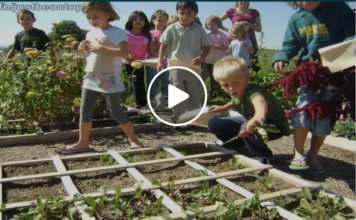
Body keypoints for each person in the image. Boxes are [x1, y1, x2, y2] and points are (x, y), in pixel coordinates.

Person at [272, 2, 355, 173]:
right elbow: (290, 45)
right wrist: (281, 57)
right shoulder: (297, 19)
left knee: (324, 115)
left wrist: (345, 54)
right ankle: (298, 152)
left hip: (335, 73)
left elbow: (351, 36)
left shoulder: (340, 9)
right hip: (309, 74)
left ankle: (313, 155)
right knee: (303, 109)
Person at [57, 2, 142, 154]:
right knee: (85, 110)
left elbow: (124, 53)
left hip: (110, 78)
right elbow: (91, 55)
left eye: (95, 16)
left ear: (107, 14)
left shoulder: (117, 32)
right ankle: (83, 143)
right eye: (89, 17)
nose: (92, 20)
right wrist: (82, 50)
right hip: (91, 76)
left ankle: (133, 139)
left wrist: (102, 48)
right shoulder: (90, 33)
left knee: (115, 111)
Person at [208, 56, 290, 164]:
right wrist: (223, 107)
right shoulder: (238, 91)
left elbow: (261, 104)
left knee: (246, 126)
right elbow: (236, 101)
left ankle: (262, 155)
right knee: (214, 123)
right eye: (225, 85)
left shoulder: (253, 91)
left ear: (247, 78)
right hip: (251, 120)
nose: (231, 88)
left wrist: (256, 118)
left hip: (273, 126)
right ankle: (240, 142)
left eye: (235, 83)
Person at [158, 2, 210, 121]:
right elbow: (163, 45)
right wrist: (160, 61)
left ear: (195, 15)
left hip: (193, 67)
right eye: (182, 13)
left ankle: (193, 118)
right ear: (177, 13)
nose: (185, 16)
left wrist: (202, 57)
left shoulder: (199, 30)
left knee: (194, 94)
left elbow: (207, 47)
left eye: (189, 13)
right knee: (177, 92)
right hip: (175, 66)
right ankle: (179, 118)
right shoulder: (171, 28)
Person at [220, 1, 261, 72]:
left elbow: (259, 29)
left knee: (253, 65)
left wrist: (248, 24)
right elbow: (217, 21)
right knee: (232, 64)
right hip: (234, 41)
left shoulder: (254, 12)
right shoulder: (231, 11)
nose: (243, 2)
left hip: (250, 41)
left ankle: (252, 82)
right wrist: (229, 30)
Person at [125, 11, 153, 111]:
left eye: (141, 19)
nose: (138, 21)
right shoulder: (125, 34)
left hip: (140, 64)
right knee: (131, 83)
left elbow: (150, 50)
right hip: (127, 62)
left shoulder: (147, 36)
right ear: (130, 21)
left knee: (139, 82)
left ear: (145, 22)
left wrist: (146, 60)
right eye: (135, 19)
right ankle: (137, 104)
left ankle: (140, 104)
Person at [146, 9, 169, 109]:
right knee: (152, 82)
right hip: (153, 62)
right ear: (153, 20)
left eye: (164, 21)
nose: (162, 23)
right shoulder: (151, 33)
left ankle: (163, 101)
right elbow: (151, 50)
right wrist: (160, 57)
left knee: (166, 81)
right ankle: (151, 101)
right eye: (159, 20)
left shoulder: (168, 32)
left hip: (166, 62)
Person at [203, 15, 229, 98]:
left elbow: (226, 47)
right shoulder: (207, 35)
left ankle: (220, 93)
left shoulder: (222, 35)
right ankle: (213, 94)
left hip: (219, 60)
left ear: (218, 24)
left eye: (212, 24)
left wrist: (215, 46)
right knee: (211, 77)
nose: (210, 26)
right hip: (209, 60)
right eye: (208, 25)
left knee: (218, 77)